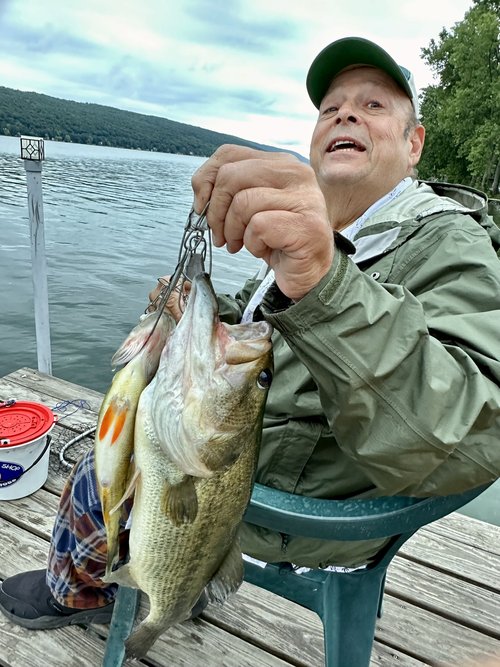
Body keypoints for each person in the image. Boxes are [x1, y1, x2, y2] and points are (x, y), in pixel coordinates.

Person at [1, 36, 500, 630]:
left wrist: (323, 282)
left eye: (373, 106)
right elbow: (267, 322)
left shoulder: (452, 244)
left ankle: (81, 592)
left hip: (305, 506)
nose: (344, 114)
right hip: (246, 457)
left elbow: (473, 436)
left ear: (414, 143)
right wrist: (205, 314)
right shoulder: (344, 226)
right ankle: (180, 582)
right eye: (330, 108)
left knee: (97, 467)